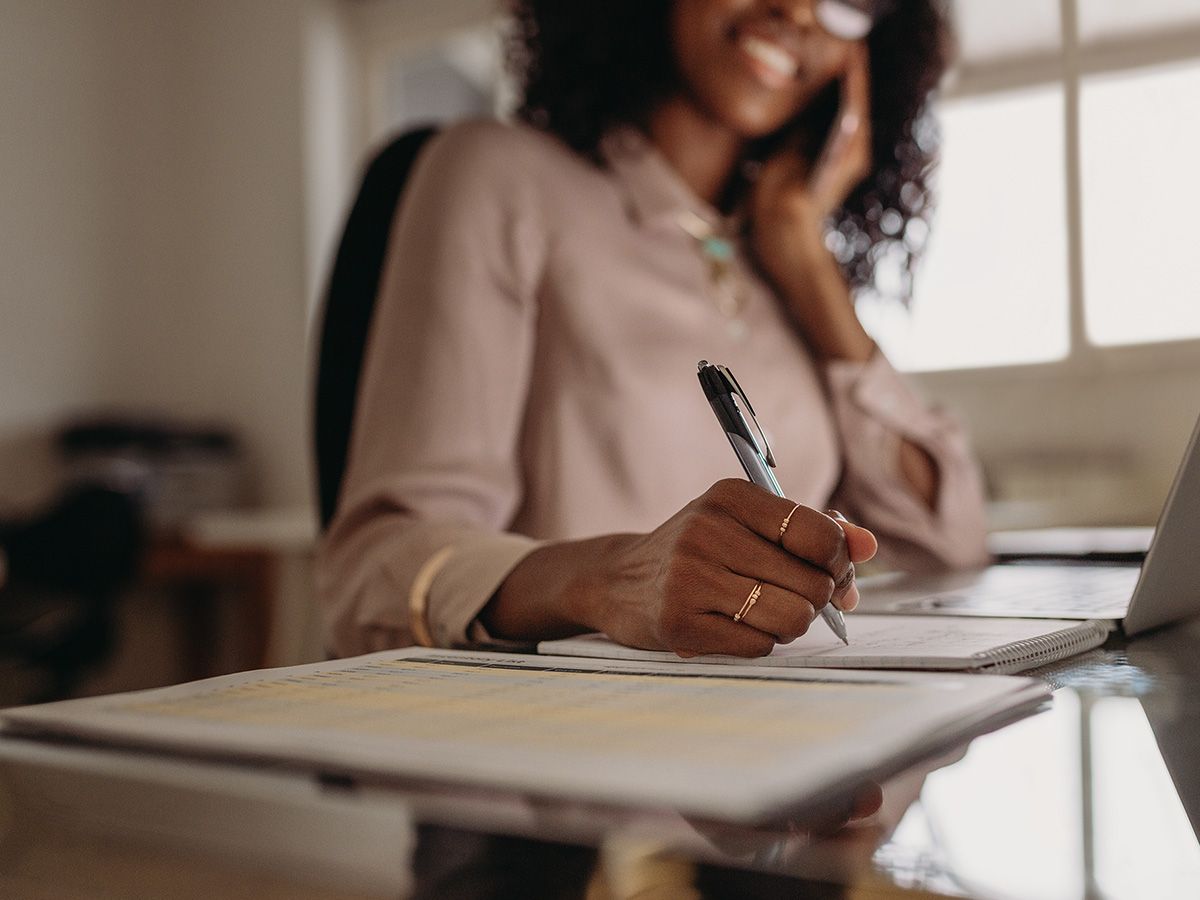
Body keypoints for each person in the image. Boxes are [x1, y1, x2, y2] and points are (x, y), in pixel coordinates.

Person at [317, 0, 990, 659]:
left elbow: (952, 549)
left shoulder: (782, 265)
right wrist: (609, 580)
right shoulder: (497, 177)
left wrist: (803, 254)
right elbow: (370, 575)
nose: (798, 11)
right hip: (567, 743)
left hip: (780, 737)